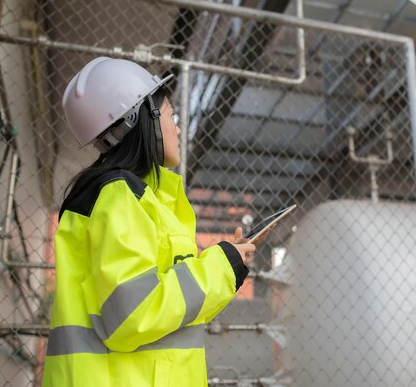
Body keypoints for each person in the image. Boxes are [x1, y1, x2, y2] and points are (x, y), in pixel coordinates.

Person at [41, 57, 256, 387]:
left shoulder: (137, 199)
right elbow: (133, 314)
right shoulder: (119, 196)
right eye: (172, 115)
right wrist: (219, 267)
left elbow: (167, 310)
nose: (179, 128)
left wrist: (230, 265)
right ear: (141, 120)